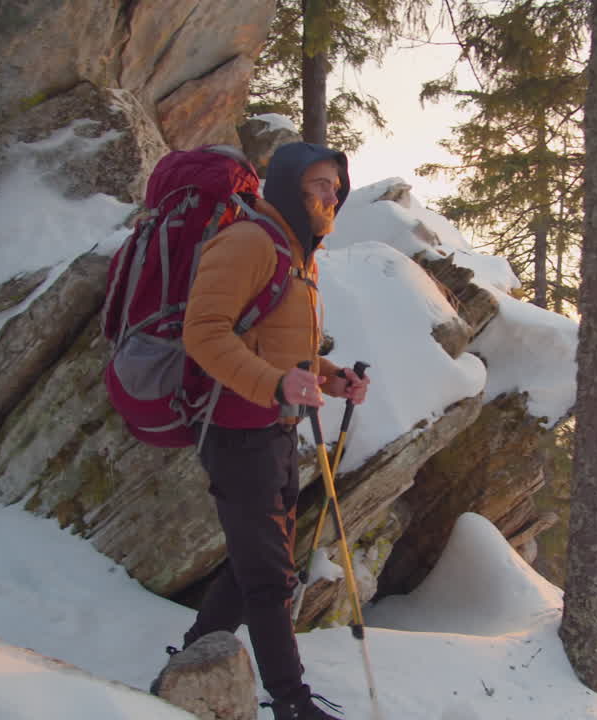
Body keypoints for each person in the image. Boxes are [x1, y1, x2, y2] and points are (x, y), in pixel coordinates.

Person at [179, 141, 371, 720]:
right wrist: (275, 384)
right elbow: (204, 334)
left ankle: (192, 658)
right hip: (238, 430)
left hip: (276, 430)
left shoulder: (297, 254)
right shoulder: (248, 242)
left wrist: (331, 378)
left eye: (335, 188)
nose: (329, 196)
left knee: (253, 562)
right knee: (269, 578)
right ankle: (291, 702)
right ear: (288, 185)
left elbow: (283, 345)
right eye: (318, 185)